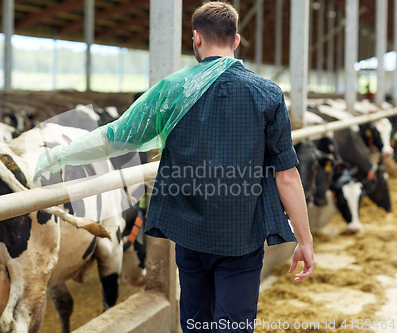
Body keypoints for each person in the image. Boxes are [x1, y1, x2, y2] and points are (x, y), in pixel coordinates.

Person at [34, 2, 315, 332]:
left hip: (189, 231)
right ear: (236, 41)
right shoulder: (268, 94)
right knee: (234, 326)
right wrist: (305, 240)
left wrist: (57, 156)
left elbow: (112, 138)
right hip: (242, 233)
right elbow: (286, 175)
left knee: (195, 323)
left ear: (196, 38)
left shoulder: (171, 91)